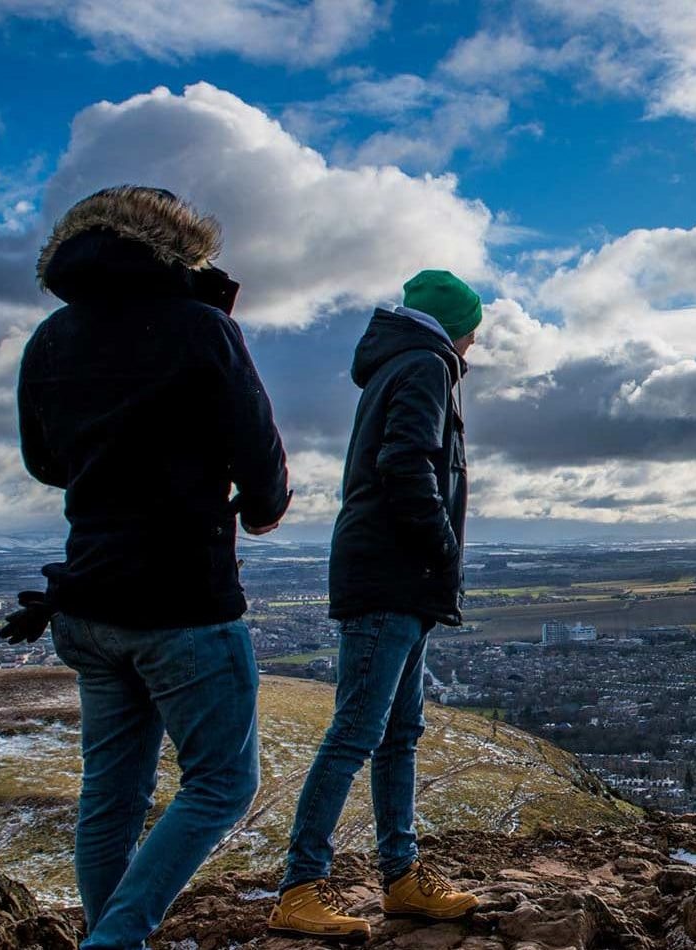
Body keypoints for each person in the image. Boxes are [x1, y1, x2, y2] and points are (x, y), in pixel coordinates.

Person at [13, 185, 291, 950]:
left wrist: (111, 466)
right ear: (178, 248)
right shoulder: (202, 330)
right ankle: (116, 939)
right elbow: (260, 460)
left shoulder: (50, 338)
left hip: (88, 599)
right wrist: (260, 507)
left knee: (111, 795)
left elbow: (45, 461)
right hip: (182, 602)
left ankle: (110, 937)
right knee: (224, 783)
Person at [268, 270, 482, 940]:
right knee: (358, 731)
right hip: (392, 574)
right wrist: (442, 546)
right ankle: (300, 887)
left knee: (396, 733)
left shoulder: (404, 364)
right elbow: (406, 464)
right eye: (475, 328)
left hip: (400, 577)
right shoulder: (424, 365)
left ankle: (401, 879)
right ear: (458, 325)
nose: (478, 342)